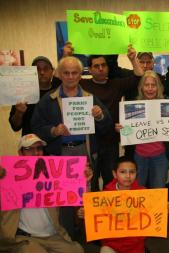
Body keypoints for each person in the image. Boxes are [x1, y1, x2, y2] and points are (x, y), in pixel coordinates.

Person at [30, 56, 112, 240]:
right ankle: (67, 235)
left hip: (85, 151)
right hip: (61, 154)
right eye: (66, 73)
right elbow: (35, 126)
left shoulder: (90, 98)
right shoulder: (48, 99)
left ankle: (91, 234)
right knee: (65, 198)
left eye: (74, 72)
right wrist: (53, 130)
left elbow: (107, 125)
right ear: (59, 74)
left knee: (88, 195)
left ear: (79, 75)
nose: (70, 76)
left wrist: (99, 116)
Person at [0, 134, 84, 253]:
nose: (36, 153)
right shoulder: (9, 176)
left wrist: (85, 179)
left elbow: (75, 193)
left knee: (77, 250)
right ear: (20, 152)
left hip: (53, 235)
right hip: (25, 237)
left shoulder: (55, 174)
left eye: (39, 148)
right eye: (30, 149)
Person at [77, 156, 169, 253]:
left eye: (132, 172)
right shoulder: (106, 195)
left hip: (135, 246)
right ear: (115, 174)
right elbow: (95, 214)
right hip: (111, 245)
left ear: (136, 173)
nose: (128, 176)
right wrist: (86, 213)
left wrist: (165, 210)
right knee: (105, 251)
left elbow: (156, 217)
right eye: (123, 172)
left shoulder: (143, 194)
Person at [80, 48, 141, 190]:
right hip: (90, 144)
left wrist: (133, 59)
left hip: (111, 142)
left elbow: (139, 77)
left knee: (110, 183)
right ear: (89, 69)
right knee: (91, 182)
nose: (101, 68)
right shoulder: (83, 84)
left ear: (108, 67)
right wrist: (66, 56)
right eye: (96, 66)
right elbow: (60, 80)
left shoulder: (116, 84)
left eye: (103, 65)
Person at [9, 56, 60, 136]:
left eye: (46, 68)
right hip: (32, 145)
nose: (42, 72)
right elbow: (15, 127)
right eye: (37, 69)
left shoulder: (58, 91)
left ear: (52, 71)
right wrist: (19, 113)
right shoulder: (23, 94)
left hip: (53, 145)